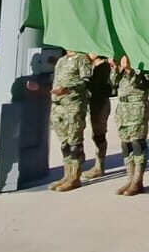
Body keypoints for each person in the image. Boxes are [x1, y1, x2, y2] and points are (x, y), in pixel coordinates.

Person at [48, 50, 94, 192]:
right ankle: (66, 175)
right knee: (65, 144)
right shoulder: (61, 60)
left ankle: (75, 177)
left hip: (73, 106)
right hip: (58, 107)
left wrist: (68, 89)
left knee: (74, 143)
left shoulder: (82, 59)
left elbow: (86, 81)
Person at [112, 55, 149, 196]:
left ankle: (138, 180)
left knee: (137, 144)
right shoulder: (121, 67)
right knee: (126, 145)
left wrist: (130, 70)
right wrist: (117, 68)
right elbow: (112, 84)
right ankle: (130, 178)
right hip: (122, 110)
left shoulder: (144, 65)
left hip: (137, 108)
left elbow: (143, 83)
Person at [82, 55, 114, 179]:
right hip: (91, 102)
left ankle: (99, 165)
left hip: (100, 102)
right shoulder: (90, 65)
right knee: (94, 134)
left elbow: (97, 84)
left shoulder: (104, 66)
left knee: (99, 134)